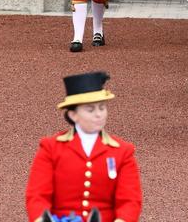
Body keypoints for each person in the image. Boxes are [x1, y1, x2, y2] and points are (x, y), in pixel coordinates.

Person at [26, 70, 142, 222]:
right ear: (73, 115)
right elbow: (37, 195)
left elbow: (130, 201)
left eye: (102, 107)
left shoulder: (122, 151)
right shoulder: (51, 148)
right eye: (90, 109)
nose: (99, 114)